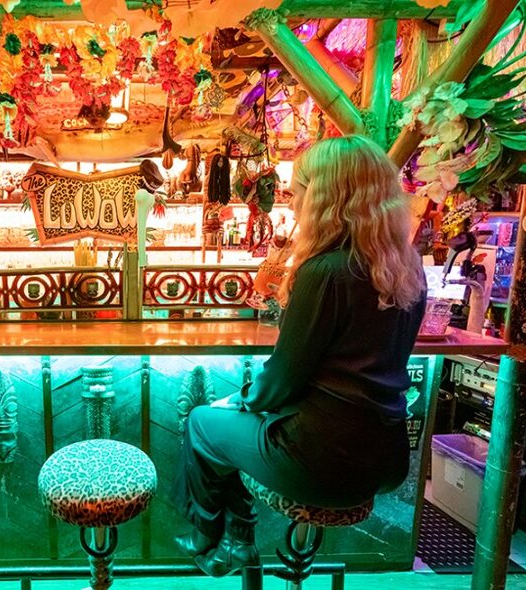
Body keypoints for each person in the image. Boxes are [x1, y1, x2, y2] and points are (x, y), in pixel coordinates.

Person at [172, 135, 428, 576]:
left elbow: (283, 379)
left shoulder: (326, 271)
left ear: (327, 197)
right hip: (384, 456)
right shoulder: (408, 265)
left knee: (201, 422)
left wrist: (243, 400)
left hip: (319, 460)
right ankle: (234, 542)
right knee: (233, 427)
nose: (292, 200)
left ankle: (207, 540)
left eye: (299, 189)